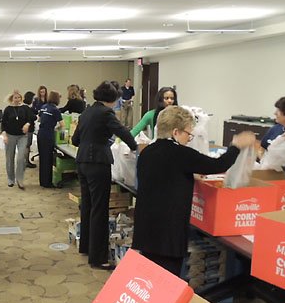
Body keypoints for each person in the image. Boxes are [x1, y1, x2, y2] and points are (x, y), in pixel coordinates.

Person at [133, 106, 256, 277]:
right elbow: (217, 166)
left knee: (149, 279)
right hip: (168, 233)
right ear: (176, 132)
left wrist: (187, 175)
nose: (190, 139)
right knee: (167, 281)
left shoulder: (147, 153)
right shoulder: (180, 154)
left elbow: (164, 176)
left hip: (147, 231)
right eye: (188, 134)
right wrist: (235, 146)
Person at [71, 81, 137, 270]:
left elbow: (76, 139)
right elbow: (122, 131)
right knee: (99, 209)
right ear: (113, 98)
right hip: (98, 163)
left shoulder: (87, 112)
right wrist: (134, 146)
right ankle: (98, 258)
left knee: (87, 205)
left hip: (82, 162)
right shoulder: (106, 113)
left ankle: (86, 246)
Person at [1, 89, 35, 189]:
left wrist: (27, 124)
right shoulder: (8, 109)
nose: (17, 99)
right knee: (9, 158)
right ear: (12, 99)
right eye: (15, 98)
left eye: (19, 97)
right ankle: (10, 179)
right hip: (10, 135)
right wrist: (4, 135)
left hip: (22, 136)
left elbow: (31, 118)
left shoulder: (25, 108)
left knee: (21, 158)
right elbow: (3, 124)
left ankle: (20, 180)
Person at [38, 90, 63, 188]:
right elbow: (62, 125)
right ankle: (48, 183)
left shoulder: (43, 107)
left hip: (41, 133)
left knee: (42, 159)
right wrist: (55, 128)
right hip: (48, 135)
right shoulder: (55, 110)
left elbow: (39, 119)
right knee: (48, 159)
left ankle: (42, 181)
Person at [23, 91, 37, 168]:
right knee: (27, 145)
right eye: (33, 99)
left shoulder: (25, 107)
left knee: (26, 146)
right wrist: (37, 117)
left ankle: (25, 161)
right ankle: (26, 162)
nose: (34, 100)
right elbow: (32, 117)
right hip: (29, 129)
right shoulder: (27, 108)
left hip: (27, 129)